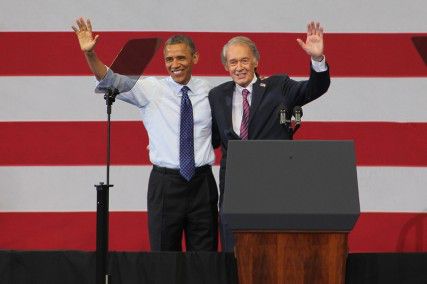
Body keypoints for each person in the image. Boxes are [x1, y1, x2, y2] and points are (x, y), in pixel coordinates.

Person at [72, 17, 218, 252]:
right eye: (169, 59)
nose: (174, 64)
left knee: (205, 257)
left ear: (195, 58)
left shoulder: (210, 91)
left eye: (181, 57)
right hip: (165, 184)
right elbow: (110, 79)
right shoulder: (152, 88)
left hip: (202, 184)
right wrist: (90, 54)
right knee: (162, 256)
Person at [209, 22, 331, 251]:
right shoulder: (217, 95)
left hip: (274, 183)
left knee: (274, 250)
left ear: (255, 61)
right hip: (234, 186)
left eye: (244, 60)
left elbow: (315, 88)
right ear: (226, 66)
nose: (239, 67)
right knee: (232, 252)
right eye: (233, 62)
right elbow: (210, 137)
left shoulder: (279, 86)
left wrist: (317, 59)